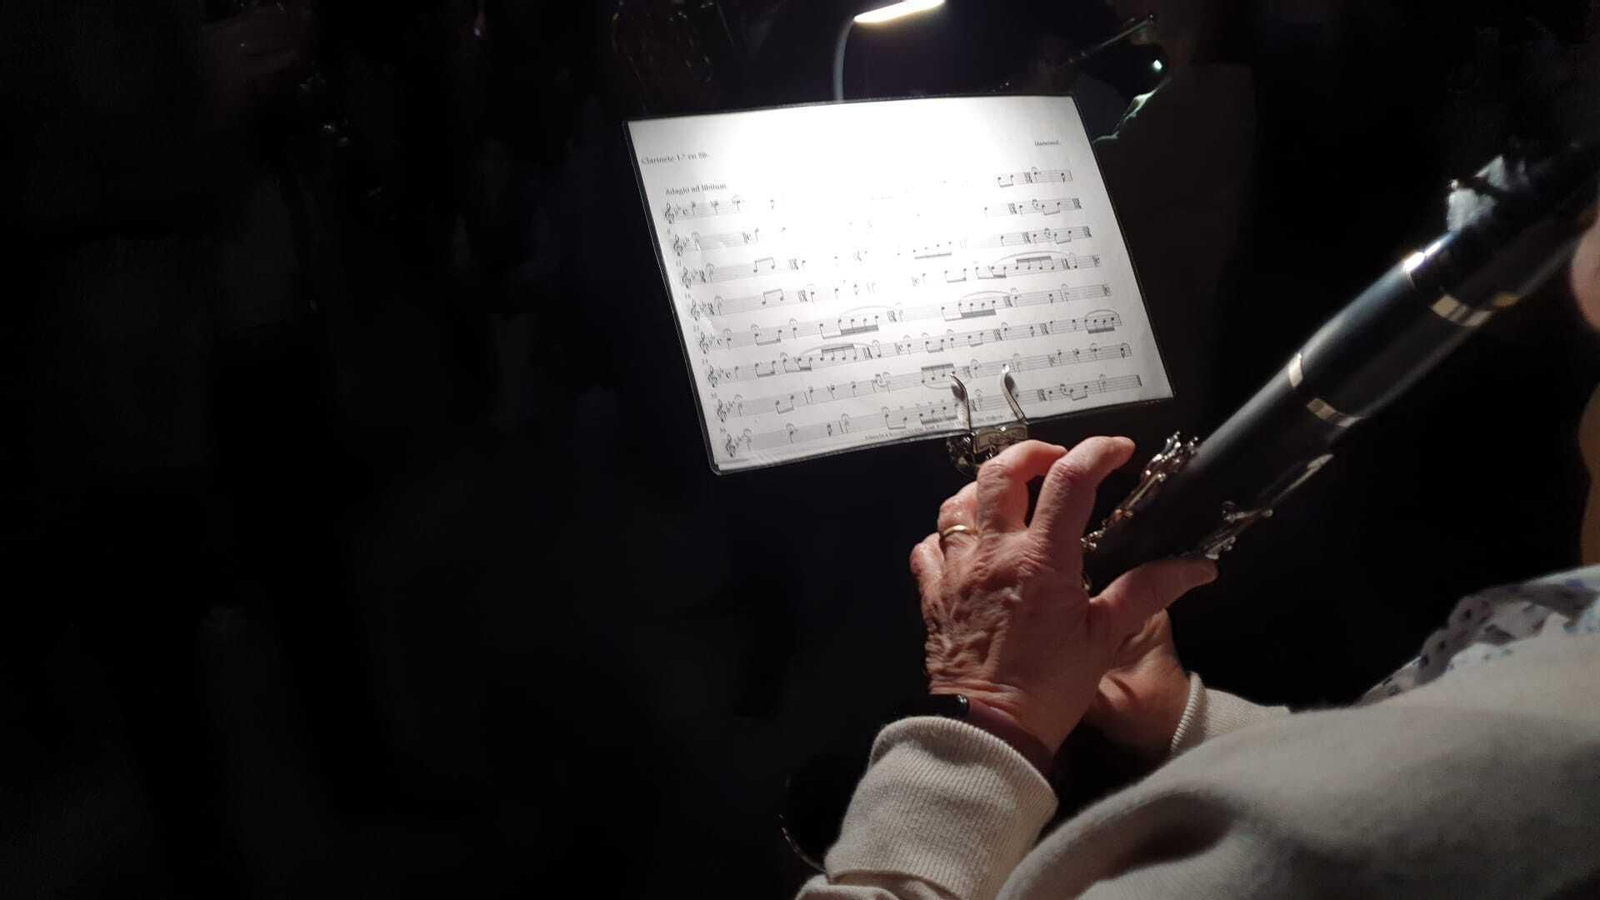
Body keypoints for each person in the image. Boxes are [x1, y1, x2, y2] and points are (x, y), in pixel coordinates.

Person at [794, 195, 1600, 897]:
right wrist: (1186, 717)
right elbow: (1404, 770)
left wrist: (990, 715)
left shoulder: (1549, 772)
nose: (1580, 277)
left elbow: (1394, 834)